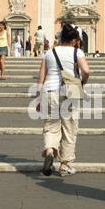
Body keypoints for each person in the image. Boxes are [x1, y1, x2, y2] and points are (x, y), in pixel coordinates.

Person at [36, 22, 90, 176]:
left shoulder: (49, 53)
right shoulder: (77, 52)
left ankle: (49, 150)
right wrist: (82, 82)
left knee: (51, 125)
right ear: (74, 40)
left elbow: (41, 77)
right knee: (69, 128)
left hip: (49, 90)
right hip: (70, 91)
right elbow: (86, 70)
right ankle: (65, 165)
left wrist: (39, 98)